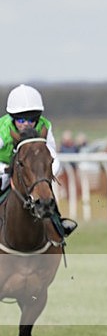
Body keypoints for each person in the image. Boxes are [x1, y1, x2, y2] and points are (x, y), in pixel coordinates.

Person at [0, 84, 76, 236]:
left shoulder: (45, 125)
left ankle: (57, 223)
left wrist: (47, 172)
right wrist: (4, 169)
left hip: (30, 170)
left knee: (44, 188)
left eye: (32, 119)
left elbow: (52, 154)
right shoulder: (2, 128)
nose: (26, 124)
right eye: (21, 120)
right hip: (4, 167)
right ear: (12, 117)